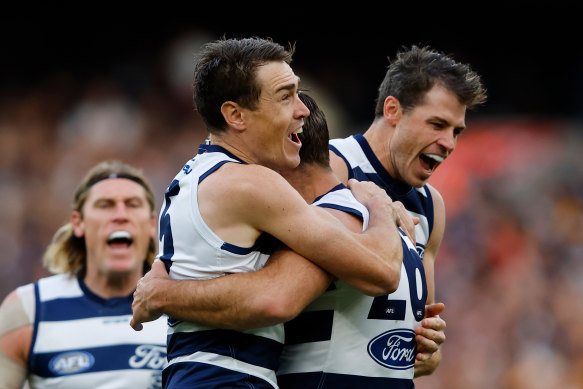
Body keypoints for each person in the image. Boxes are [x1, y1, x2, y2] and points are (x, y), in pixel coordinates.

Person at [145, 37, 412, 389]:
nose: (303, 110)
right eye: (285, 96)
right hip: (230, 378)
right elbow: (380, 273)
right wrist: (378, 203)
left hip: (194, 374)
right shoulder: (250, 183)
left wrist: (163, 295)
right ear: (235, 115)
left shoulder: (192, 177)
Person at [328, 44, 488, 376]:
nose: (449, 143)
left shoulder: (432, 206)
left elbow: (423, 344)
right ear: (392, 110)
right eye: (437, 124)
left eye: (456, 131)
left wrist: (430, 346)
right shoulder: (332, 166)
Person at [0, 160, 167, 388]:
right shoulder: (29, 309)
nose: (120, 215)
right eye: (105, 205)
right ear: (78, 223)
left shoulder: (179, 307)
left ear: (151, 224)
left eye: (132, 204)